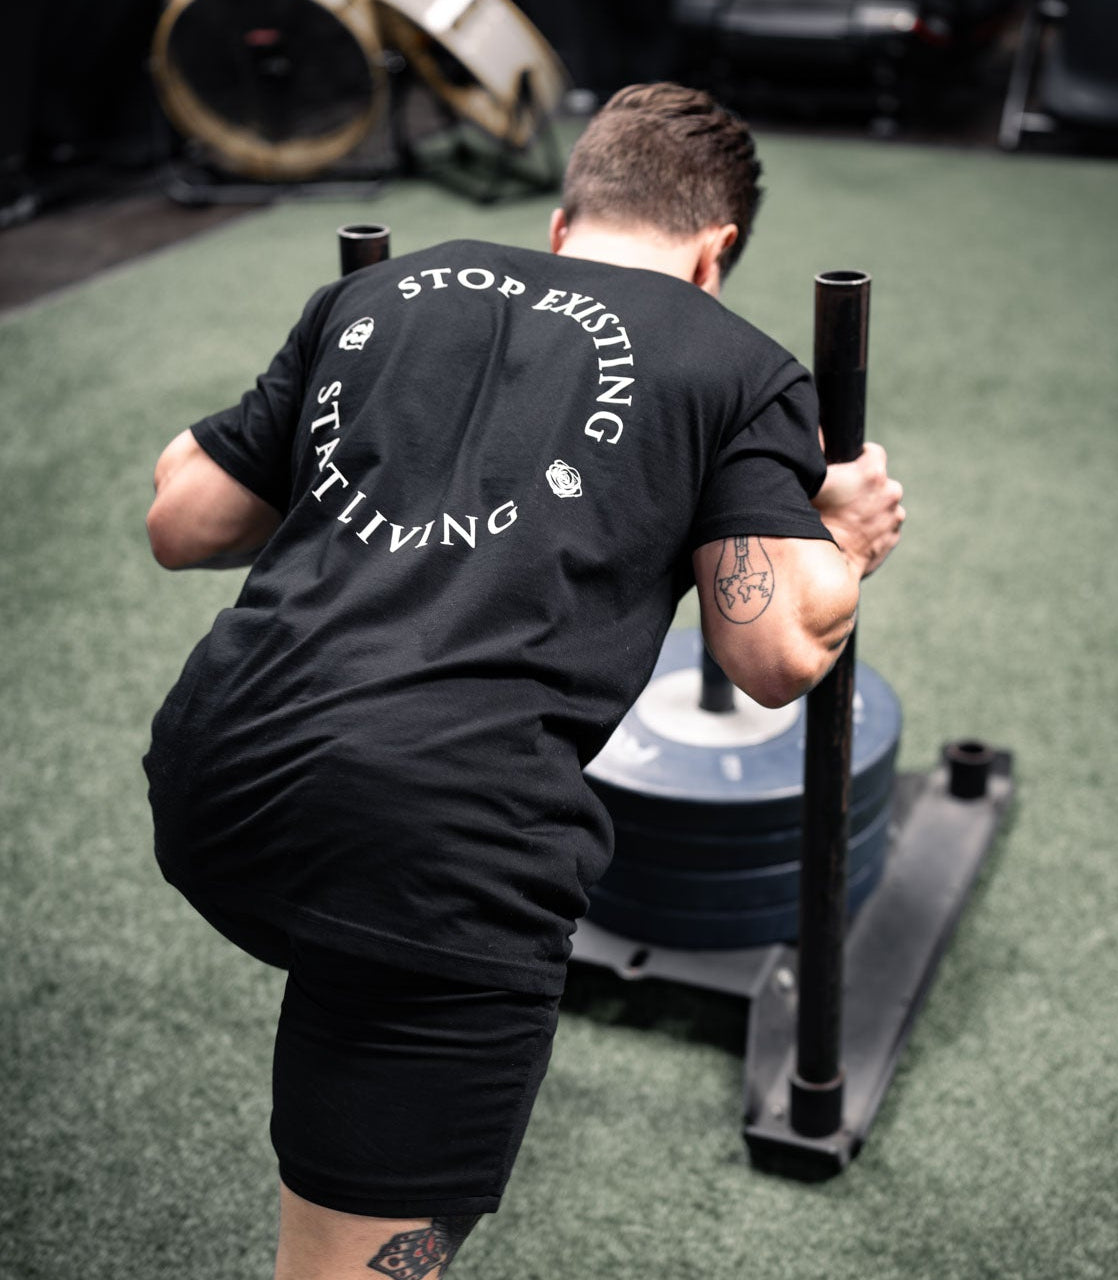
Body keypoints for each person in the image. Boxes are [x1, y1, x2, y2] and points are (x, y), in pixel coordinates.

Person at [144, 82, 905, 1279]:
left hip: (211, 769)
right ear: (715, 253)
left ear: (562, 222)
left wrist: (393, 445)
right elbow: (768, 654)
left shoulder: (379, 292)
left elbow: (184, 516)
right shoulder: (735, 363)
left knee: (351, 942)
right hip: (438, 842)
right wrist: (843, 535)